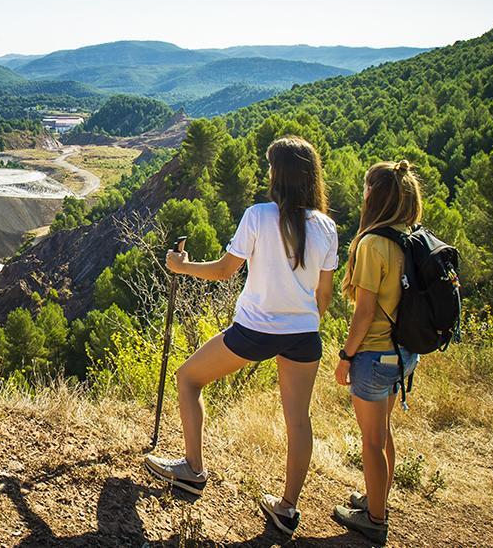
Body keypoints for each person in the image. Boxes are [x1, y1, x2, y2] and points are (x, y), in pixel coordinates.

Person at [145, 136, 339, 538]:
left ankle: (192, 470)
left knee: (188, 378)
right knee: (298, 420)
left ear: (278, 176)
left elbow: (222, 272)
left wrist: (181, 267)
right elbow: (324, 295)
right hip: (304, 335)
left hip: (254, 330)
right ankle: (287, 509)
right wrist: (301, 321)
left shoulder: (258, 216)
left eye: (271, 168)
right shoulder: (326, 226)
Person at [331, 160, 423, 545]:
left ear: (374, 194)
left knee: (371, 440)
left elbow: (365, 312)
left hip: (374, 354)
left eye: (366, 186)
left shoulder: (372, 244)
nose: (363, 192)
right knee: (383, 434)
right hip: (403, 353)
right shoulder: (412, 238)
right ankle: (376, 497)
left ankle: (374, 518)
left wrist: (345, 355)